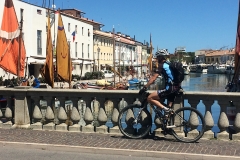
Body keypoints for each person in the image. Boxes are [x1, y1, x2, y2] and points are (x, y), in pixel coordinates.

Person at [139, 49, 181, 116]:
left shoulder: (162, 65)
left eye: (158, 57)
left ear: (161, 57)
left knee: (149, 98)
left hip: (170, 88)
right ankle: (167, 123)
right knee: (168, 110)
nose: (157, 59)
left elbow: (153, 78)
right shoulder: (169, 64)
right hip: (175, 87)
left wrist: (144, 87)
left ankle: (166, 109)